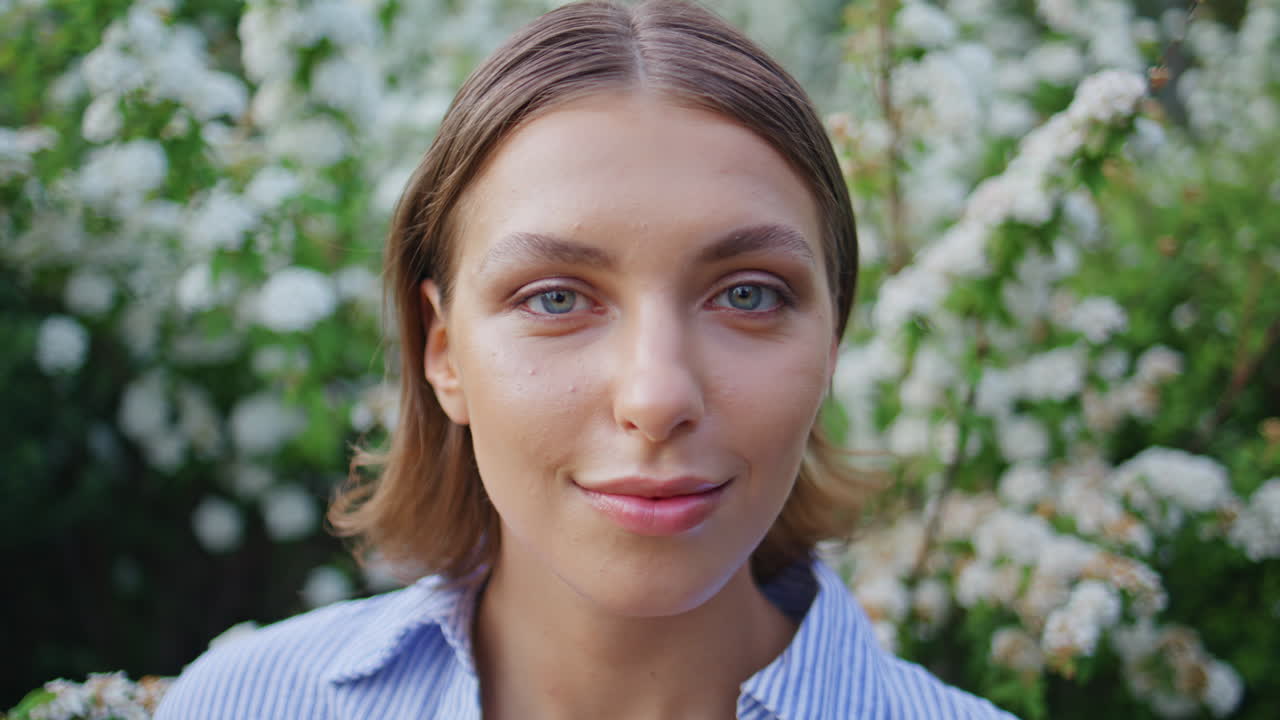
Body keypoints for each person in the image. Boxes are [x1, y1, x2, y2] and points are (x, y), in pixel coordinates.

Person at [157, 1, 1017, 718]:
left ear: (831, 343)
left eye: (748, 294)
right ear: (443, 351)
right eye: (556, 298)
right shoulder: (245, 702)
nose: (656, 396)